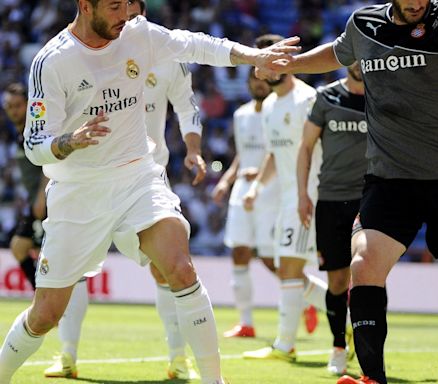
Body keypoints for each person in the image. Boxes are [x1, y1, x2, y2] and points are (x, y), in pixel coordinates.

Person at [0, 1, 299, 383]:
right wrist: (69, 141)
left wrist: (255, 55)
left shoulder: (137, 32)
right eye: (114, 6)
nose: (125, 14)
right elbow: (34, 144)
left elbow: (193, 44)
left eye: (127, 4)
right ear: (85, 6)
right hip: (79, 192)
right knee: (45, 315)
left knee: (179, 268)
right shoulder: (53, 61)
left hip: (138, 177)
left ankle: (213, 379)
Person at [258, 0, 438, 383]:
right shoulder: (364, 24)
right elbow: (339, 52)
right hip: (390, 179)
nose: (415, 4)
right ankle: (372, 377)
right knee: (363, 264)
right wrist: (291, 63)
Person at [42, 0, 201, 380]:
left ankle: (179, 359)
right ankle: (67, 356)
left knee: (168, 269)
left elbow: (187, 105)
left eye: (130, 13)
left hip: (145, 176)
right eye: (120, 12)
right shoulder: (84, 56)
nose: (126, 21)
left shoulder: (162, 55)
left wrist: (193, 151)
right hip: (89, 176)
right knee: (73, 271)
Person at [242, 34, 328, 363]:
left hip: (310, 195)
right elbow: (274, 154)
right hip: (287, 198)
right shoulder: (271, 107)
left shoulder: (309, 99)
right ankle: (348, 321)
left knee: (290, 268)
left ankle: (284, 345)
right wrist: (256, 188)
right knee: (286, 268)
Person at [296, 62, 365, 375]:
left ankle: (368, 348)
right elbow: (306, 146)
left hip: (371, 200)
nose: (361, 62)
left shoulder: (383, 96)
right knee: (337, 280)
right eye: (356, 55)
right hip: (332, 199)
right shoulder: (326, 97)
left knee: (369, 274)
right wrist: (302, 194)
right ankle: (339, 345)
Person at [211, 68, 279, 338]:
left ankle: (307, 296)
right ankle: (246, 322)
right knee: (239, 252)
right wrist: (226, 181)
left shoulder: (278, 111)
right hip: (242, 189)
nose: (259, 84)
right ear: (249, 82)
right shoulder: (241, 115)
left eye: (263, 79)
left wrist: (260, 174)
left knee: (268, 257)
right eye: (254, 79)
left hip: (272, 190)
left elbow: (278, 152)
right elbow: (242, 155)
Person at [2, 83, 48, 291]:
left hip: (47, 201)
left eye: (18, 105)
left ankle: (48, 300)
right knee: (20, 246)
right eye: (9, 106)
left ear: (28, 105)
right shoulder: (19, 135)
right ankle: (41, 295)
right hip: (35, 204)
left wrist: (41, 196)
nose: (13, 110)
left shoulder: (35, 131)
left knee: (31, 249)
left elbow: (50, 163)